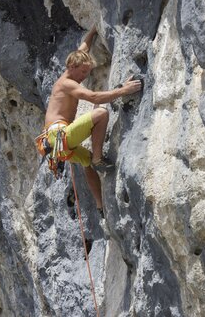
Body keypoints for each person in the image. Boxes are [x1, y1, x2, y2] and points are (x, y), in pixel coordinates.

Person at [44, 26, 142, 217]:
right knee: (101, 114)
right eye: (82, 72)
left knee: (85, 162)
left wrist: (94, 30)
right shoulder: (68, 84)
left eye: (87, 72)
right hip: (59, 136)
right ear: (72, 67)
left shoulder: (72, 68)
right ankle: (98, 158)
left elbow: (83, 48)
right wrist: (123, 91)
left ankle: (99, 206)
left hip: (56, 143)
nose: (84, 77)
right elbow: (94, 97)